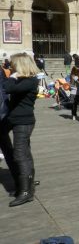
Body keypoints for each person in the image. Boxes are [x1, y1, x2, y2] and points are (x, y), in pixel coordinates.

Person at [3, 53, 40, 207]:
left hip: (23, 122)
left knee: (20, 154)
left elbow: (8, 87)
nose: (11, 67)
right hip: (17, 120)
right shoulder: (25, 80)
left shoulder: (30, 81)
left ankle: (26, 192)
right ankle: (27, 185)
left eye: (13, 65)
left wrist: (12, 76)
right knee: (24, 153)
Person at [0, 63, 18, 197]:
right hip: (3, 113)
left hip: (2, 114)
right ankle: (20, 181)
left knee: (7, 149)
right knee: (7, 149)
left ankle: (21, 181)